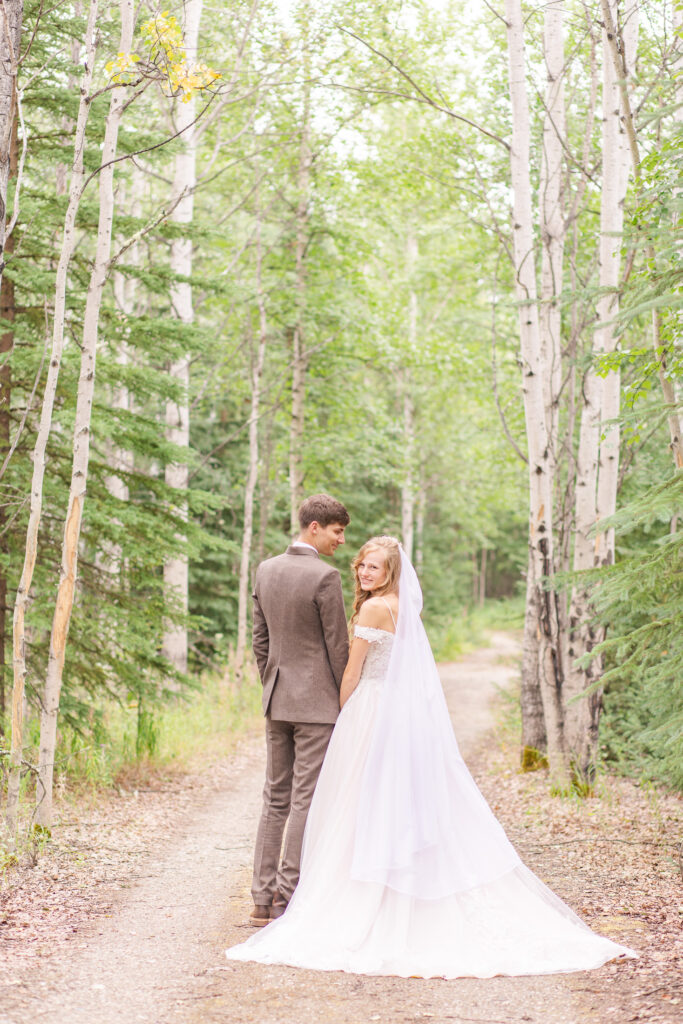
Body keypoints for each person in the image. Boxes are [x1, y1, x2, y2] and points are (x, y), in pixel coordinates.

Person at [227, 535, 636, 978]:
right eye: (362, 565)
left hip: (368, 708)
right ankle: (391, 886)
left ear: (391, 573)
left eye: (375, 568)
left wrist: (344, 714)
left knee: (350, 802)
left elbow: (352, 669)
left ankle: (347, 894)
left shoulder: (370, 609)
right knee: (390, 800)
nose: (365, 573)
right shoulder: (404, 608)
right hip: (398, 710)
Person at [247, 493, 350, 927]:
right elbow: (338, 648)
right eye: (337, 531)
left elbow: (259, 640)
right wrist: (349, 702)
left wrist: (272, 681)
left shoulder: (266, 569)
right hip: (317, 707)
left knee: (275, 798)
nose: (341, 541)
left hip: (278, 700)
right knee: (305, 799)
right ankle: (286, 898)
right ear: (314, 527)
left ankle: (259, 897)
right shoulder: (326, 577)